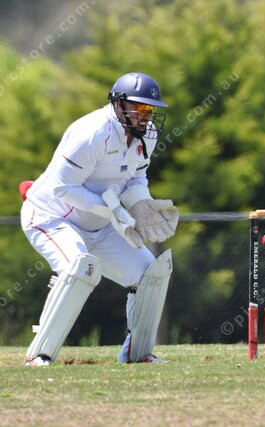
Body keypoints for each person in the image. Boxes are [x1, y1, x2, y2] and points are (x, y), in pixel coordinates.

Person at [20, 72, 179, 366]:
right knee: (79, 267)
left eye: (150, 109)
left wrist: (141, 205)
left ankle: (137, 354)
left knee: (150, 275)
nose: (147, 116)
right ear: (119, 104)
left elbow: (136, 177)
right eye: (140, 108)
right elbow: (62, 188)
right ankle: (38, 355)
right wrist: (113, 210)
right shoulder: (92, 133)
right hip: (52, 215)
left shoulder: (148, 135)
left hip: (101, 223)